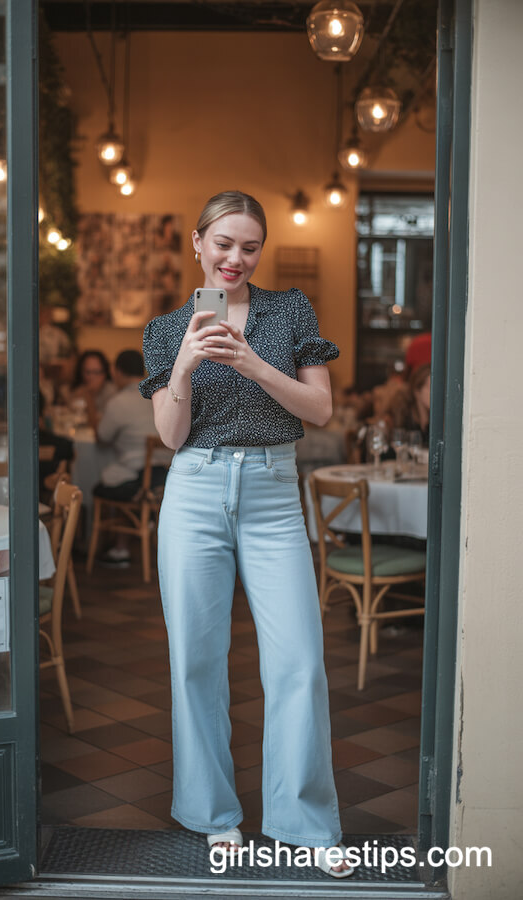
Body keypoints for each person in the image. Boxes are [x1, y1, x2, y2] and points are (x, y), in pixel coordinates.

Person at [138, 191, 353, 877]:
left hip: (271, 491)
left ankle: (306, 823)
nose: (236, 257)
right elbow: (170, 436)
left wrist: (252, 362)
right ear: (197, 243)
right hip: (196, 488)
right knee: (195, 661)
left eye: (250, 245)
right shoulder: (167, 328)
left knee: (299, 661)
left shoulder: (289, 310)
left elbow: (319, 408)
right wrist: (186, 366)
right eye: (224, 243)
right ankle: (213, 816)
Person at [92, 350, 169, 566]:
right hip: (165, 478)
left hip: (138, 481)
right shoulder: (157, 395)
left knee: (106, 484)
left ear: (117, 372)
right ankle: (132, 538)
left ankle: (119, 547)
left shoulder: (119, 402)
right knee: (128, 479)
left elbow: (102, 438)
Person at [386, 363, 431, 446]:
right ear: (417, 391)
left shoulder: (438, 420)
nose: (436, 394)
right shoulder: (402, 416)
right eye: (430, 388)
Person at [70, 350, 117, 427]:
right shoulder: (79, 389)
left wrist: (88, 395)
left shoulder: (112, 393)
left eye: (96, 372)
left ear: (104, 374)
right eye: (87, 372)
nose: (91, 377)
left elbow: (99, 426)